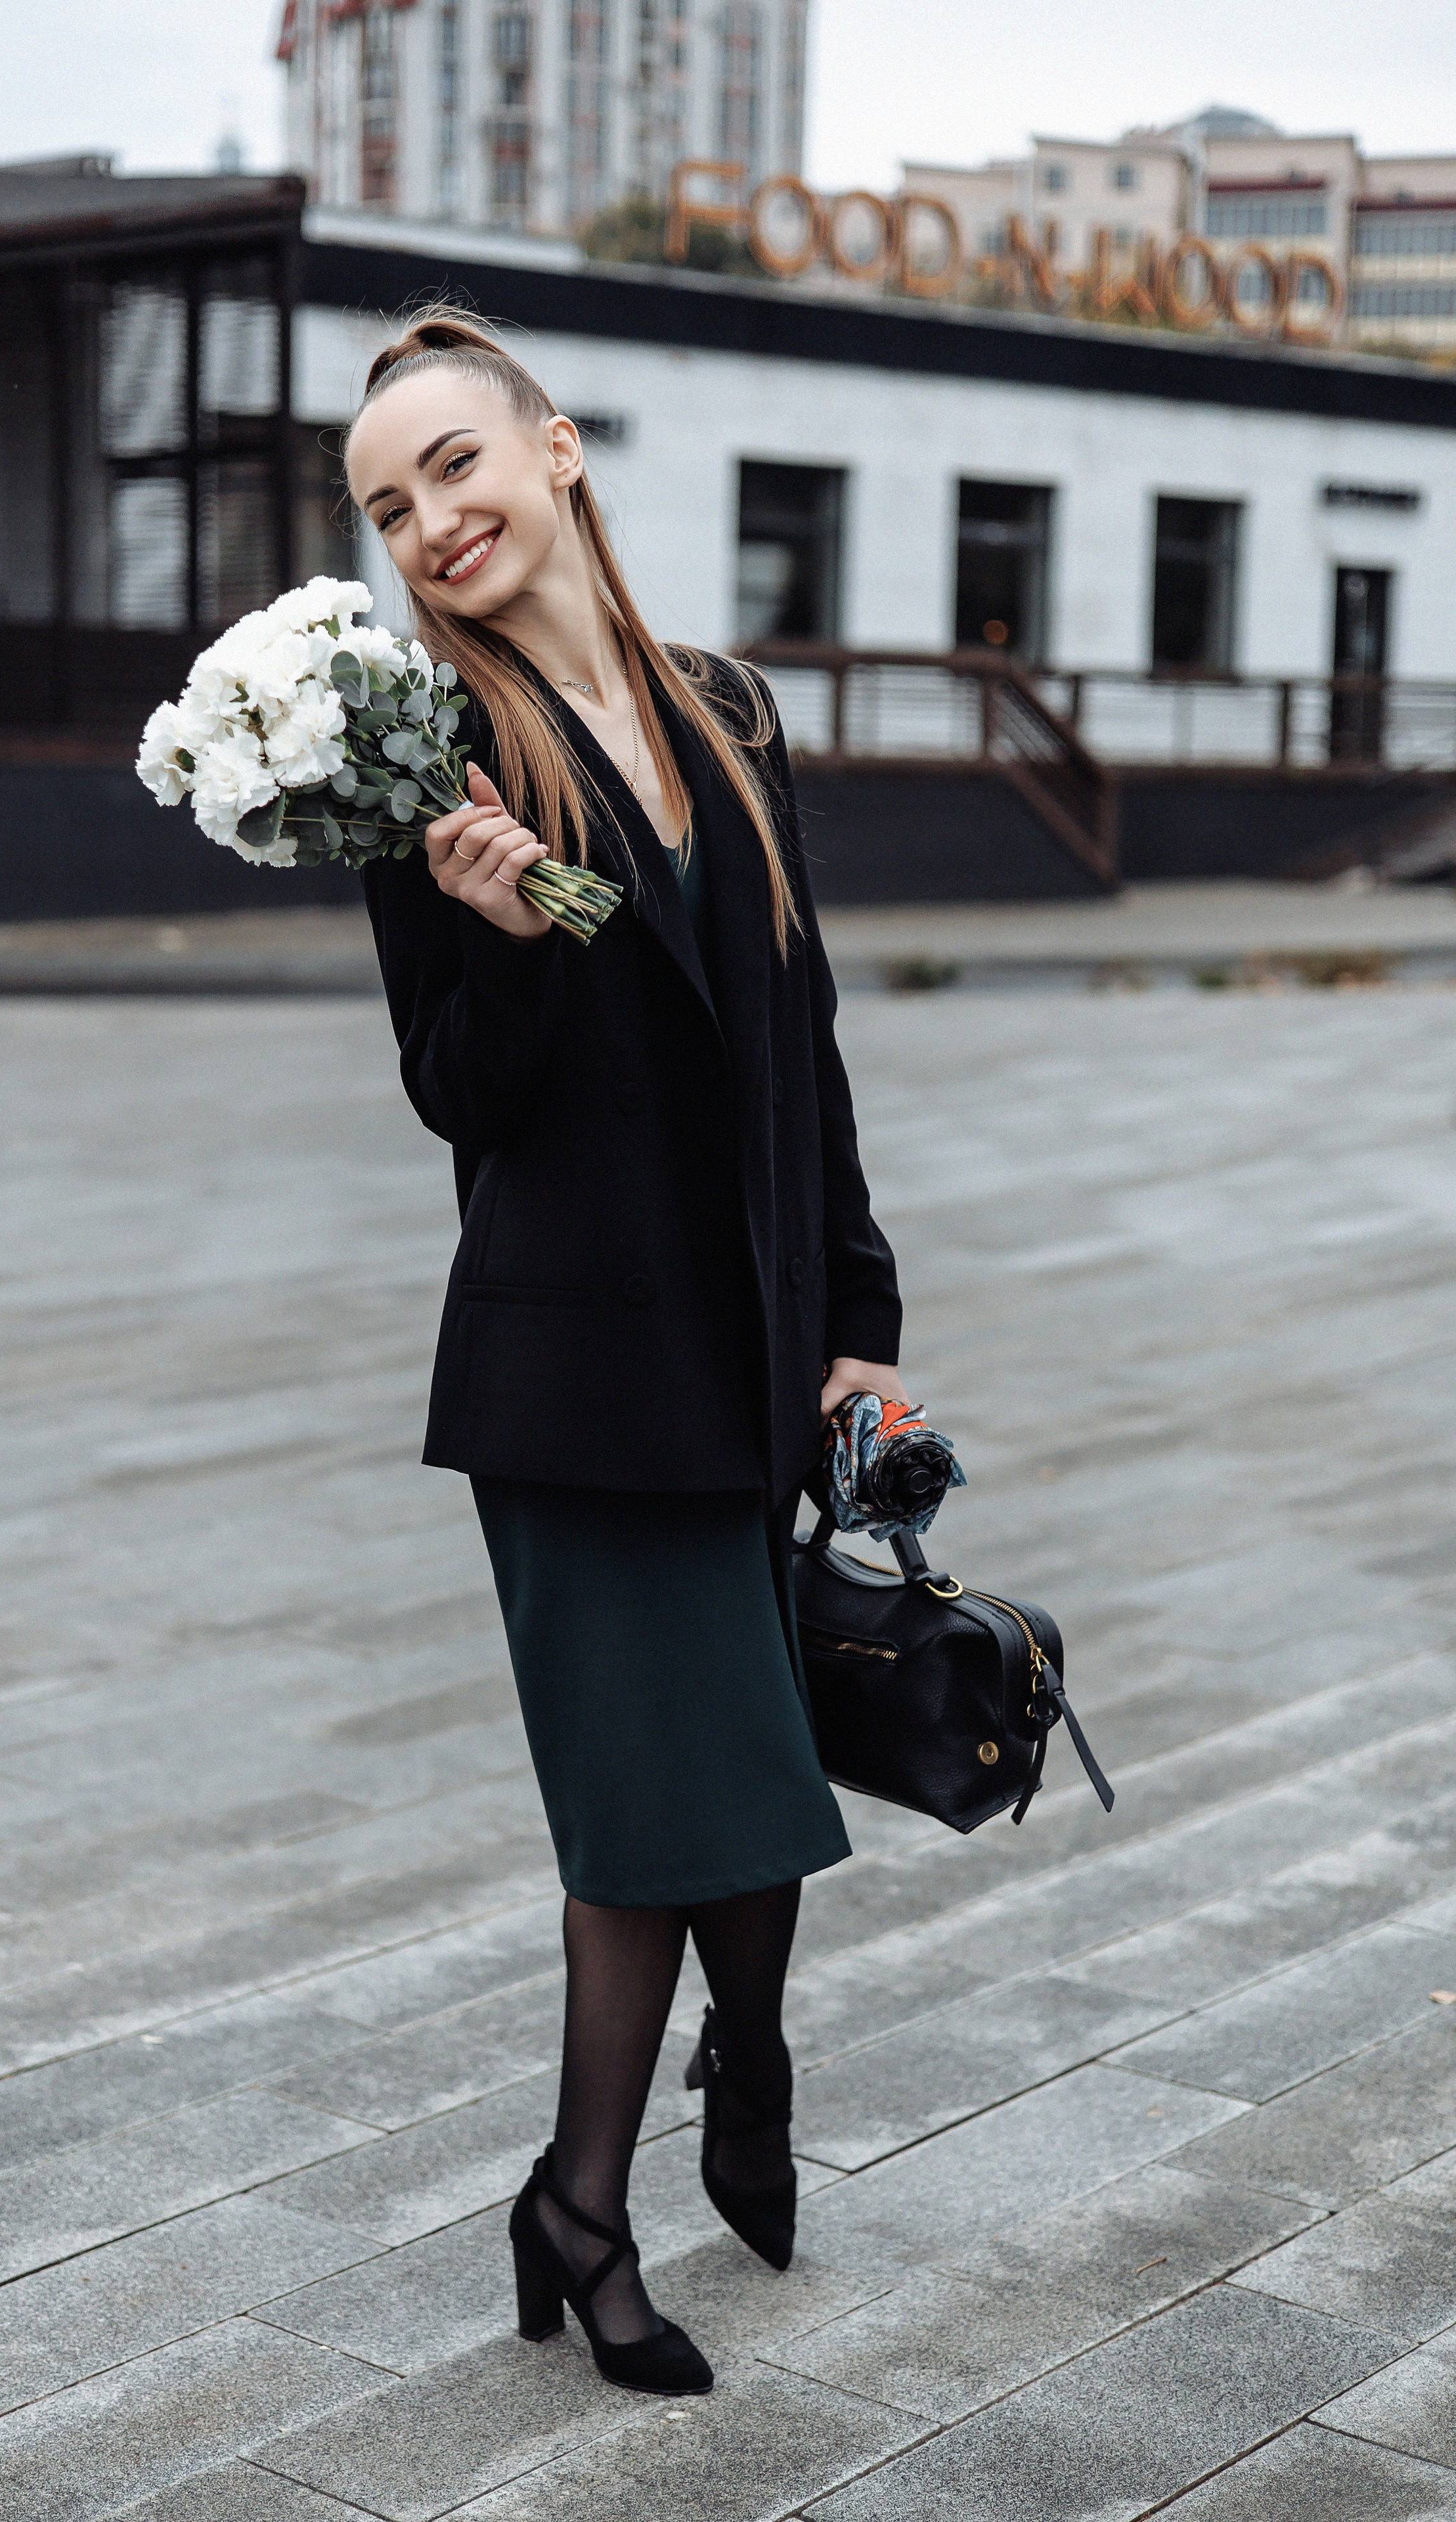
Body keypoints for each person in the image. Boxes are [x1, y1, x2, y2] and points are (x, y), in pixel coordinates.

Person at [344, 306, 906, 2398]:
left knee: (744, 1791)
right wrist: (493, 935)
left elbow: (800, 1042)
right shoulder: (428, 759)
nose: (432, 525)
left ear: (557, 448)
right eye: (390, 509)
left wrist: (859, 1325)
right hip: (576, 1381)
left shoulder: (726, 714)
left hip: (748, 1355)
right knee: (663, 1824)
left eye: (455, 471)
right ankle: (588, 2202)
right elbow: (458, 1102)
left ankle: (742, 2073)